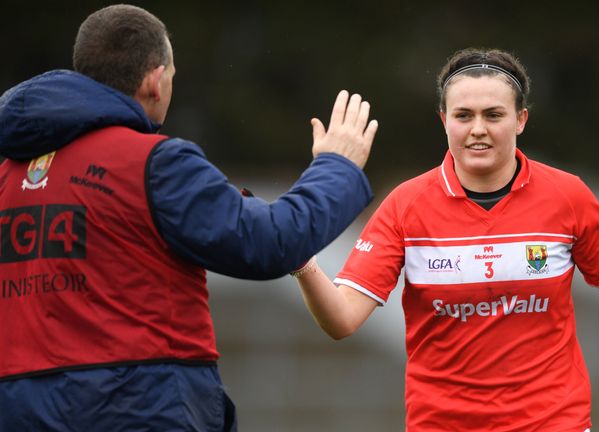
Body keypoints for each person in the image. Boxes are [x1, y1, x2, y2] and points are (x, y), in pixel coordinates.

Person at [292, 48, 599, 431]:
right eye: (463, 115)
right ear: (443, 120)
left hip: (555, 422)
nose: (477, 129)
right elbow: (342, 320)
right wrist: (299, 257)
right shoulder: (405, 206)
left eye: (494, 114)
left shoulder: (567, 196)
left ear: (521, 120)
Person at [0, 4, 378, 432]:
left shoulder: (8, 178)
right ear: (155, 81)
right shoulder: (153, 163)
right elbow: (271, 242)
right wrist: (337, 167)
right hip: (137, 407)